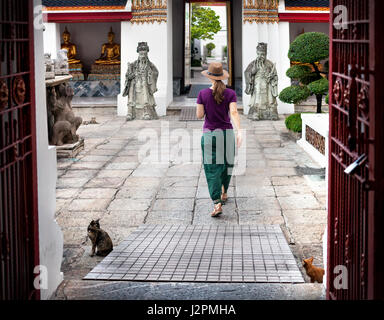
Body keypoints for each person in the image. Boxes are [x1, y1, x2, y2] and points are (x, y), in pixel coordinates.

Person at [196, 62, 242, 217]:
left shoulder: (202, 94)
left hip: (209, 135)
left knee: (212, 168)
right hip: (227, 134)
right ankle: (224, 192)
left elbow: (199, 115)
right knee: (227, 165)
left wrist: (206, 106)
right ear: (222, 77)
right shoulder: (230, 93)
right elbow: (234, 112)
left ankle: (217, 202)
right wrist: (239, 131)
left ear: (209, 77)